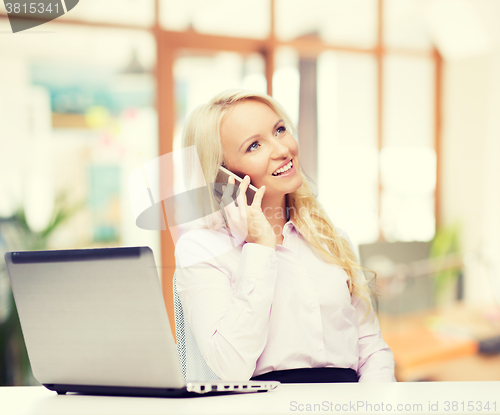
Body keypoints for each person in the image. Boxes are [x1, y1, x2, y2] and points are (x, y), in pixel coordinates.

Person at [174, 89, 396, 383]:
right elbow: (229, 368)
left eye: (280, 130)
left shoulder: (331, 238)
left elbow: (371, 350)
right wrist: (259, 248)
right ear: (224, 176)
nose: (282, 149)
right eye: (254, 145)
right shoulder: (202, 247)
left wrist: (371, 408)